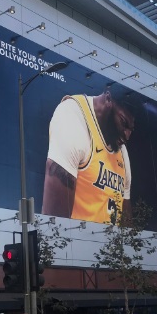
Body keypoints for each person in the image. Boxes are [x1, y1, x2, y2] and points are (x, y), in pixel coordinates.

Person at [42, 89, 137, 223]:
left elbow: (126, 221)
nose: (127, 135)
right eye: (123, 122)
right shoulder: (73, 118)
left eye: (131, 130)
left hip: (112, 243)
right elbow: (55, 222)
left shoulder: (122, 151)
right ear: (108, 99)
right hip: (81, 241)